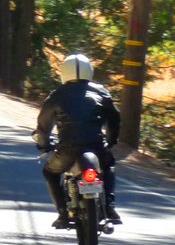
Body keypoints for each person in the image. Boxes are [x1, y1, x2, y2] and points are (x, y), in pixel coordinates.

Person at [32, 53, 122, 229]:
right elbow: (114, 118)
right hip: (97, 147)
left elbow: (43, 124)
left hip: (67, 149)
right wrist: (110, 141)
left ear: (64, 72)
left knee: (50, 172)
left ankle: (63, 214)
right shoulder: (101, 91)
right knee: (108, 165)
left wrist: (43, 144)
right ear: (89, 70)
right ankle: (110, 207)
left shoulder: (57, 94)